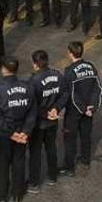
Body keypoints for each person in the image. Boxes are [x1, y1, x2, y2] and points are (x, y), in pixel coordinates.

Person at [0, 57, 35, 202]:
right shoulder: (28, 88)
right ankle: (18, 193)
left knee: (2, 165)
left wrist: (10, 134)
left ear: (3, 69)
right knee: (19, 162)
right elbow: (32, 112)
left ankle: (2, 195)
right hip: (22, 133)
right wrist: (25, 132)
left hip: (4, 135)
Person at [58, 41, 101, 176]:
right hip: (88, 109)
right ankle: (85, 160)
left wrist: (82, 108)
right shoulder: (91, 67)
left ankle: (69, 167)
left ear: (70, 53)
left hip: (74, 111)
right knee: (86, 135)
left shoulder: (69, 71)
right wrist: (92, 108)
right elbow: (97, 89)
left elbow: (71, 94)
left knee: (70, 138)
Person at [27, 49, 63, 191]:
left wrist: (46, 113)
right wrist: (57, 109)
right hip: (52, 121)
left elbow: (33, 104)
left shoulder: (33, 81)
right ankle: (52, 176)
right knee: (51, 148)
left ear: (35, 64)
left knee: (35, 152)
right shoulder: (57, 75)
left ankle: (34, 182)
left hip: (39, 123)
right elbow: (64, 93)